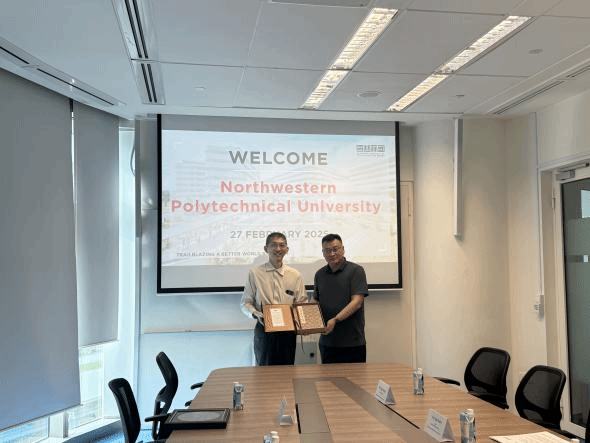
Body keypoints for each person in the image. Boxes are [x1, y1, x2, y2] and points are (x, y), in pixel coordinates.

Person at [241, 232, 307, 365]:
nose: (278, 249)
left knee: (287, 370)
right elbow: (246, 303)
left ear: (287, 249)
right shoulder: (255, 273)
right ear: (266, 249)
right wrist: (255, 314)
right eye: (274, 245)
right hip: (264, 329)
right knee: (264, 371)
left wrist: (301, 321)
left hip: (288, 332)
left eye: (282, 245)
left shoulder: (295, 275)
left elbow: (302, 303)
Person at [313, 233, 369, 364]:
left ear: (343, 249)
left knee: (355, 377)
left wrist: (335, 319)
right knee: (328, 377)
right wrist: (307, 322)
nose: (332, 253)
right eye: (327, 250)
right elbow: (315, 301)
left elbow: (357, 302)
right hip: (327, 342)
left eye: (335, 249)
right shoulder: (319, 274)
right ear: (323, 253)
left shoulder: (356, 271)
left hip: (352, 343)